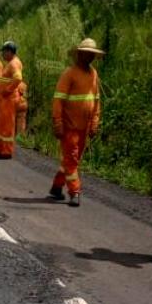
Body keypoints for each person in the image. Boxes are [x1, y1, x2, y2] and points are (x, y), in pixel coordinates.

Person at [48, 38, 105, 207]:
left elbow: (96, 100)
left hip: (83, 128)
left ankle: (56, 187)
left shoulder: (93, 74)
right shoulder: (69, 74)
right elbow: (58, 100)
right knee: (71, 160)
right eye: (87, 53)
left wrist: (94, 122)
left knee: (71, 160)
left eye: (92, 54)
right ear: (79, 54)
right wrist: (58, 123)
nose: (90, 57)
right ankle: (74, 191)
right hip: (69, 127)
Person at [0, 41, 23, 159]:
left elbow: (18, 78)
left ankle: (6, 151)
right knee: (3, 124)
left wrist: (8, 90)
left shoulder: (14, 64)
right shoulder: (10, 63)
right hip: (5, 100)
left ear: (9, 52)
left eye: (4, 52)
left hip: (9, 99)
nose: (2, 54)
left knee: (8, 126)